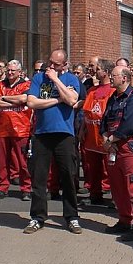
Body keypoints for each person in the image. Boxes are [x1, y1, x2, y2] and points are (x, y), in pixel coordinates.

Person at [24, 49, 84, 234]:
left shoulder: (71, 79)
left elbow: (72, 100)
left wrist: (57, 80)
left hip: (64, 134)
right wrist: (58, 100)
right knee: (39, 177)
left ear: (64, 65)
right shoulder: (38, 78)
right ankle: (38, 217)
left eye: (55, 64)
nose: (50, 67)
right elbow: (32, 102)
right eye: (50, 62)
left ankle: (72, 217)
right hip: (42, 133)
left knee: (68, 176)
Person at [101, 65, 133, 241]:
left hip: (130, 147)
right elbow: (104, 120)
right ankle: (124, 220)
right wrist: (106, 137)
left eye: (113, 75)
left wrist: (111, 140)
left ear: (124, 78)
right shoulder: (113, 97)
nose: (110, 77)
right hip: (115, 147)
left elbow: (130, 124)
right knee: (118, 187)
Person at [0, 60, 33, 201]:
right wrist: (13, 101)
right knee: (1, 160)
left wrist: (4, 98)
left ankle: (26, 189)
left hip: (20, 128)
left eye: (13, 70)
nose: (10, 73)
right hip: (2, 128)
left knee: (23, 161)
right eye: (9, 70)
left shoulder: (26, 84)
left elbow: (24, 99)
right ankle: (2, 188)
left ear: (19, 71)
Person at [78, 58, 114, 205]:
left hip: (105, 136)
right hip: (91, 135)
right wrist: (82, 130)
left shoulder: (113, 91)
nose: (95, 71)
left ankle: (115, 198)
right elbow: (87, 113)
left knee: (111, 169)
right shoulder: (92, 90)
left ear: (106, 72)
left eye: (98, 69)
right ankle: (95, 194)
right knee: (92, 167)